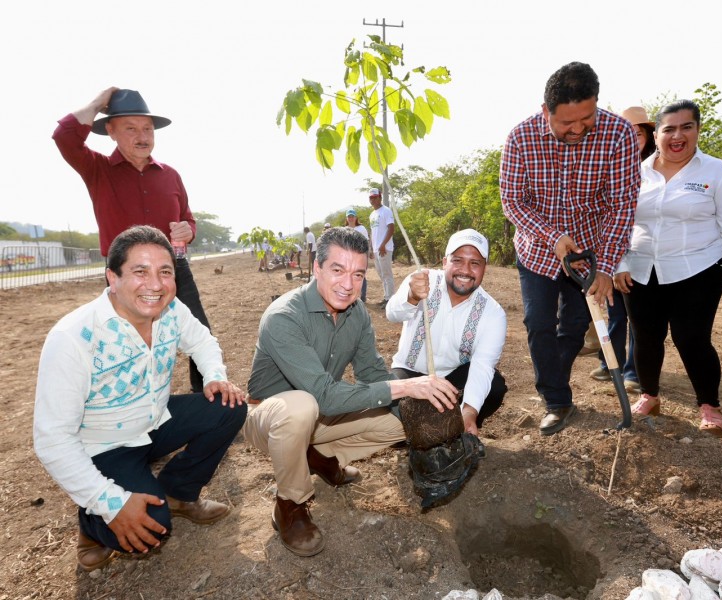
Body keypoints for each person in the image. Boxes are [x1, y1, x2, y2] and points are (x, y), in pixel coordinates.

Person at [33, 226, 247, 572]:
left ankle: (179, 492)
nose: (156, 284)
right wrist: (110, 503)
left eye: (165, 272)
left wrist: (215, 377)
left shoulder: (172, 310)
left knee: (229, 407)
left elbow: (202, 341)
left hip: (154, 421)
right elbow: (53, 439)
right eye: (140, 271)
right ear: (111, 278)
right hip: (105, 446)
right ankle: (91, 525)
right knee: (154, 528)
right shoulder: (73, 338)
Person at [243, 227, 459, 557]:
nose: (348, 284)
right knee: (300, 406)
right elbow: (325, 395)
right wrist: (407, 385)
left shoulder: (357, 313)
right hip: (269, 418)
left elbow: (372, 375)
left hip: (319, 411)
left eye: (358, 273)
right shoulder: (284, 317)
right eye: (338, 270)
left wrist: (430, 426)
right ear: (316, 268)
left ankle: (320, 457)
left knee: (401, 422)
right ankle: (290, 504)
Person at [499, 61, 641, 435]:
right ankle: (557, 402)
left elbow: (621, 204)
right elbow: (513, 201)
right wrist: (552, 236)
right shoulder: (521, 138)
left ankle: (553, 384)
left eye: (587, 118)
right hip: (537, 252)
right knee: (538, 324)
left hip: (589, 257)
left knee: (575, 329)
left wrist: (607, 266)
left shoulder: (619, 134)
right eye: (567, 123)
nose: (578, 129)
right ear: (546, 111)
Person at [614, 99, 722, 435]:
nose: (677, 135)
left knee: (691, 338)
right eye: (669, 129)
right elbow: (618, 223)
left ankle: (709, 406)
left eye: (686, 127)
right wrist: (619, 262)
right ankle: (650, 395)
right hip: (640, 270)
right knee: (645, 339)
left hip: (698, 269)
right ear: (657, 135)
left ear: (697, 130)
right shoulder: (634, 175)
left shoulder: (719, 172)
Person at [52, 87, 212, 393]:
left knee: (199, 333)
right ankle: (133, 405)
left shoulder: (170, 175)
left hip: (174, 270)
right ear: (110, 131)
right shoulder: (97, 169)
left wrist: (187, 231)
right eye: (130, 128)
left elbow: (188, 218)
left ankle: (206, 399)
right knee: (128, 342)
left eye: (148, 128)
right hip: (126, 276)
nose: (143, 136)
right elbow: (64, 137)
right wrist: (99, 103)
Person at [386, 229, 507, 436]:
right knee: (390, 410)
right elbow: (392, 313)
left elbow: (483, 366)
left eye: (475, 263)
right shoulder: (422, 280)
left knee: (494, 387)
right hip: (410, 374)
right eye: (458, 260)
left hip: (451, 380)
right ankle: (428, 432)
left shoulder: (493, 312)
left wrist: (469, 412)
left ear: (484, 268)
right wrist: (412, 296)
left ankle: (458, 426)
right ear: (444, 262)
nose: (465, 270)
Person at [589, 106, 656, 394]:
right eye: (628, 133)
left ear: (648, 136)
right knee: (615, 313)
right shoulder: (611, 167)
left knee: (639, 318)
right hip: (613, 255)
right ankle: (609, 362)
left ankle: (633, 371)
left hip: (642, 256)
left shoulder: (656, 168)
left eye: (638, 134)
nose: (633, 139)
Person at [368, 187, 396, 308]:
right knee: (381, 274)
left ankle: (391, 299)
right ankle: (386, 297)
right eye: (371, 198)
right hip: (376, 249)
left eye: (375, 197)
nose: (373, 200)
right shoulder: (372, 214)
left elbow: (391, 228)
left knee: (387, 274)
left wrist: (383, 244)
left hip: (384, 248)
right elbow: (372, 232)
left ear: (380, 197)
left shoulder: (386, 211)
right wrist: (371, 248)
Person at [345, 208, 370, 302]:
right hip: (348, 256)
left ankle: (362, 297)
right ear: (346, 218)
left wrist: (367, 254)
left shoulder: (361, 228)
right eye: (349, 216)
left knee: (361, 276)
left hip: (360, 255)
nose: (351, 218)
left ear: (356, 217)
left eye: (352, 216)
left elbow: (366, 242)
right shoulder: (345, 229)